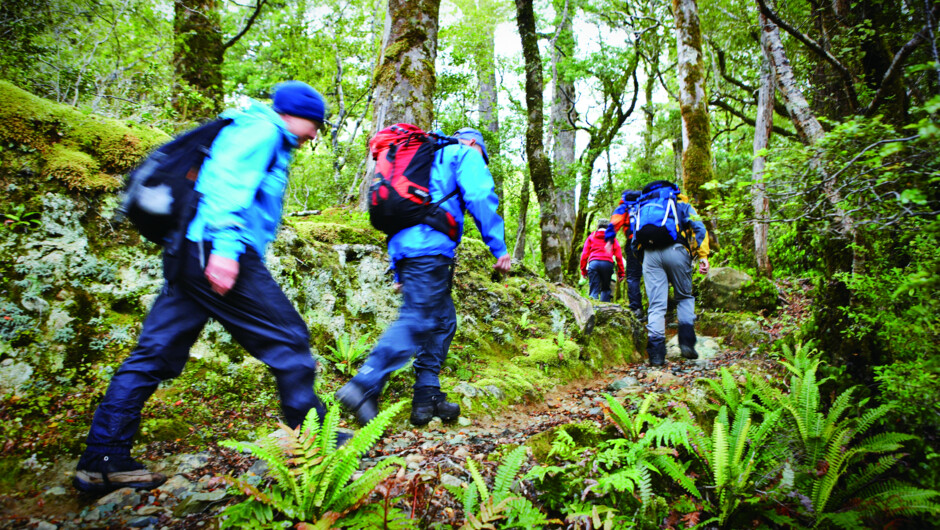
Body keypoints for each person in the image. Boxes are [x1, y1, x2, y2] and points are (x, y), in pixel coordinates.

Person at [73, 81, 330, 494]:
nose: (314, 133)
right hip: (216, 251)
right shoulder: (262, 130)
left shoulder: (248, 126)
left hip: (187, 252)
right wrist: (226, 250)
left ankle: (103, 459)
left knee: (153, 353)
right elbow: (226, 184)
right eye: (314, 123)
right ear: (293, 115)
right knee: (290, 340)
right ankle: (315, 444)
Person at [337, 127, 510, 427]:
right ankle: (363, 383)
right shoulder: (462, 152)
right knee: (417, 320)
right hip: (429, 249)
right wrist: (499, 248)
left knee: (442, 319)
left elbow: (401, 210)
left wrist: (397, 265)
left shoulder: (422, 158)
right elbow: (481, 196)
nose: (481, 159)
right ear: (473, 143)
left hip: (409, 250)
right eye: (482, 153)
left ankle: (426, 396)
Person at [633, 180, 709, 367]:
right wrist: (703, 255)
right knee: (684, 297)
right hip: (676, 251)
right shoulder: (678, 200)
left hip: (650, 255)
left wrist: (645, 260)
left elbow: (634, 240)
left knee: (657, 305)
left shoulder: (642, 206)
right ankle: (686, 344)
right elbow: (698, 227)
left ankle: (657, 355)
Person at [605, 189, 644, 318]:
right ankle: (658, 308)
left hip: (633, 243)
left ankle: (636, 309)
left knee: (633, 277)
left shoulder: (625, 206)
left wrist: (609, 241)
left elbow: (615, 222)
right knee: (653, 274)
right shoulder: (647, 203)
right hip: (652, 243)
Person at [580, 219, 625, 302]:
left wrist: (583, 270)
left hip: (594, 263)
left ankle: (594, 308)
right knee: (605, 288)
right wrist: (621, 272)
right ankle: (605, 308)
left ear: (597, 227)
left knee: (594, 288)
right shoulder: (612, 238)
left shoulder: (591, 237)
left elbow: (584, 254)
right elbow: (619, 255)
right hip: (607, 264)